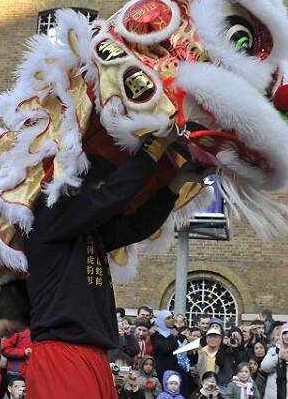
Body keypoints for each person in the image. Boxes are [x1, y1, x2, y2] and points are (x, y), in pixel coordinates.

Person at [22, 132, 204, 399]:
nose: (111, 205)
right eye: (101, 186)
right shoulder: (49, 217)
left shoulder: (85, 230)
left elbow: (135, 226)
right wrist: (154, 146)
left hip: (92, 354)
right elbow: (111, 197)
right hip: (62, 355)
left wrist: (179, 180)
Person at [196, 326, 235, 392]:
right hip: (202, 386)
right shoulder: (200, 352)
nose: (212, 339)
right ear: (206, 338)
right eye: (210, 337)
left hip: (221, 387)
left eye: (215, 337)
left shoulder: (226, 353)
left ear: (220, 339)